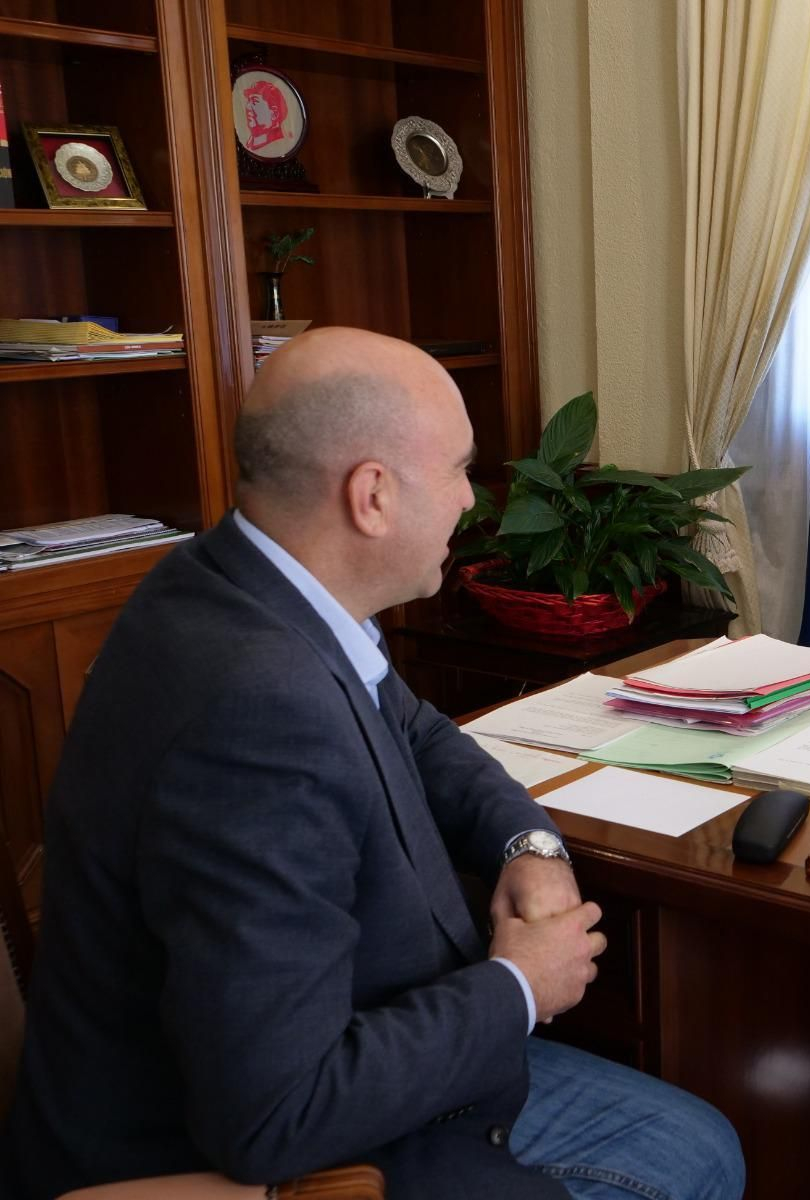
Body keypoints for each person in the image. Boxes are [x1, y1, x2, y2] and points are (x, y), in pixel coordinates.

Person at [3, 328, 744, 1200]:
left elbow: (419, 730)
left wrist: (526, 847)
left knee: (700, 1140)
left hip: (358, 1052)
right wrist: (518, 986)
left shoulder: (244, 582)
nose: (472, 503)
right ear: (373, 496)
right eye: (461, 470)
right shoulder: (255, 713)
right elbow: (275, 1117)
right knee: (690, 1163)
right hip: (261, 1160)